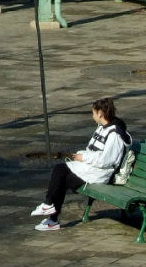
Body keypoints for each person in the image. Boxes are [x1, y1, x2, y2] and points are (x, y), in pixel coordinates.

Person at [31, 98, 131, 231]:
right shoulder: (102, 128)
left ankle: (52, 217)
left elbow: (106, 160)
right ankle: (49, 208)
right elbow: (92, 150)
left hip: (99, 173)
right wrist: (81, 155)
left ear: (100, 113)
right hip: (90, 168)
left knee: (62, 179)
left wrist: (83, 157)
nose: (93, 116)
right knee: (60, 170)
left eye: (94, 113)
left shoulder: (114, 135)